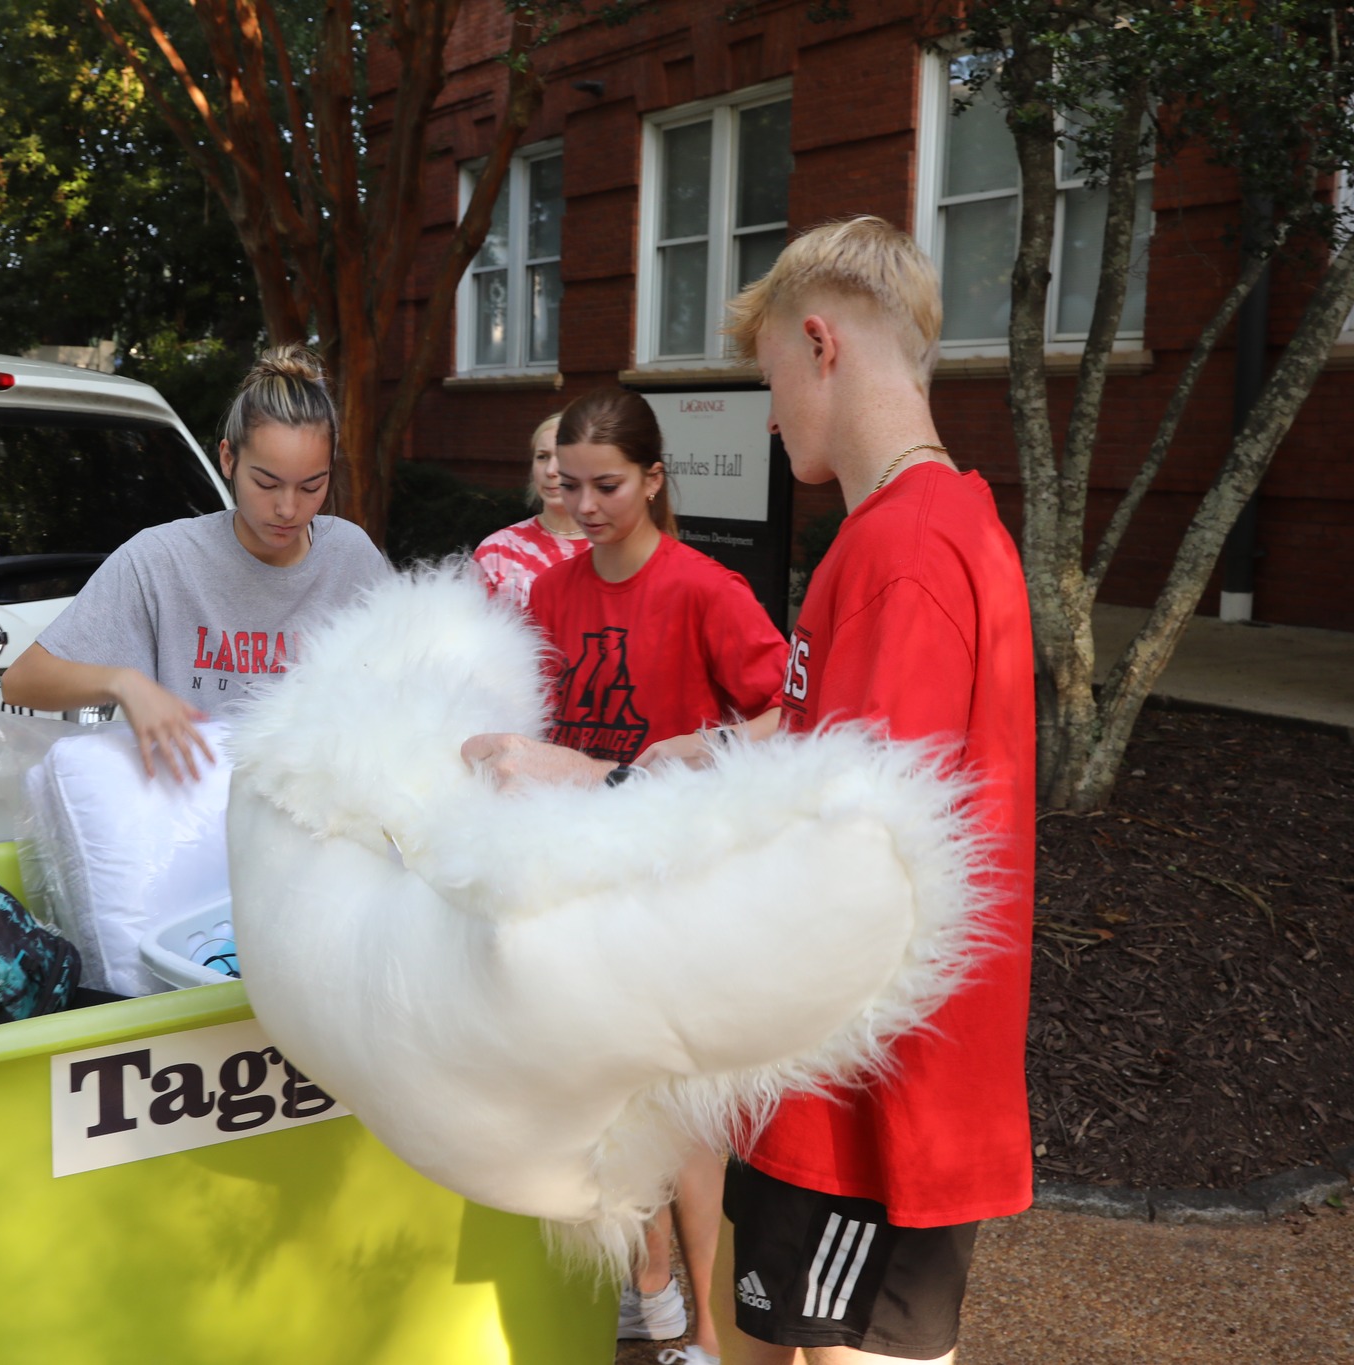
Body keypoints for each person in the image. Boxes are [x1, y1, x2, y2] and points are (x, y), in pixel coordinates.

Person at [466, 216, 1035, 1364]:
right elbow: (843, 754)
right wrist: (711, 759)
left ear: (820, 344)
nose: (769, 417)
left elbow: (858, 849)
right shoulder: (933, 527)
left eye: (771, 376)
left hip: (867, 1106)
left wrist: (613, 784)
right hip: (855, 1088)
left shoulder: (898, 554)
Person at [526, 387, 790, 1365]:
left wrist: (708, 744)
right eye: (568, 484)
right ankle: (655, 1311)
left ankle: (713, 1337)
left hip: (678, 893)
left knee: (687, 1132)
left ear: (652, 478)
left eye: (606, 485)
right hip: (581, 884)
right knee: (607, 1104)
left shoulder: (704, 591)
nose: (584, 505)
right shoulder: (550, 591)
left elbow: (795, 713)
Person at [1, 345, 390, 779]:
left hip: (312, 821)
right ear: (228, 459)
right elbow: (22, 680)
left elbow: (417, 684)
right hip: (188, 823)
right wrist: (124, 684)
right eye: (266, 483)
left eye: (311, 486)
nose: (287, 509)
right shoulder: (160, 559)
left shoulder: (351, 557)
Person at [472, 411, 589, 609]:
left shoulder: (614, 549)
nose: (551, 470)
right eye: (542, 457)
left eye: (563, 457)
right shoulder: (497, 551)